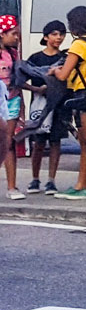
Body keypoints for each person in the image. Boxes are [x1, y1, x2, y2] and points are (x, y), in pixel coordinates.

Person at [48, 7, 86, 200]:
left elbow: (64, 74)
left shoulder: (80, 44)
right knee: (85, 141)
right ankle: (82, 184)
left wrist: (55, 71)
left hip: (84, 93)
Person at [24, 21, 67, 196]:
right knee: (39, 143)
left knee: (56, 142)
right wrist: (37, 90)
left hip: (59, 104)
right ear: (46, 36)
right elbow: (21, 79)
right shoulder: (35, 58)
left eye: (62, 34)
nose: (59, 38)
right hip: (40, 105)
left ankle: (51, 180)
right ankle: (35, 178)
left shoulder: (66, 57)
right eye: (55, 34)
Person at [0, 15, 22, 199]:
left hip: (12, 99)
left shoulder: (14, 54)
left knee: (9, 142)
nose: (17, 37)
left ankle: (12, 186)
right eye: (13, 34)